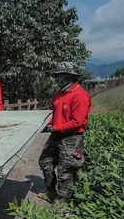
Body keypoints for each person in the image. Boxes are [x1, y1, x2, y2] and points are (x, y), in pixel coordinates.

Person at [38, 61, 91, 202]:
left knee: (66, 168)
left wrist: (55, 127)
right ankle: (51, 191)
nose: (57, 79)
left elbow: (77, 122)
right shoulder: (58, 95)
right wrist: (43, 125)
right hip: (56, 134)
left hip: (71, 137)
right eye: (57, 76)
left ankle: (64, 200)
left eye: (60, 75)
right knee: (45, 162)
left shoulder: (80, 95)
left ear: (69, 76)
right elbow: (55, 116)